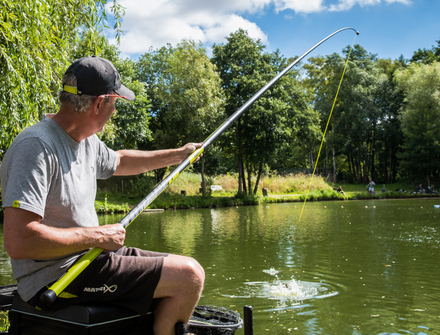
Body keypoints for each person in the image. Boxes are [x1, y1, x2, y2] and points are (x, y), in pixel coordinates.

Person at [0, 56, 205, 335]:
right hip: (56, 277)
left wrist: (179, 155)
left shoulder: (86, 140)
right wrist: (98, 236)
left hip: (92, 259)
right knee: (188, 276)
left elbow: (120, 162)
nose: (114, 111)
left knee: (187, 270)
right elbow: (19, 241)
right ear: (99, 103)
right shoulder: (35, 148)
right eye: (115, 103)